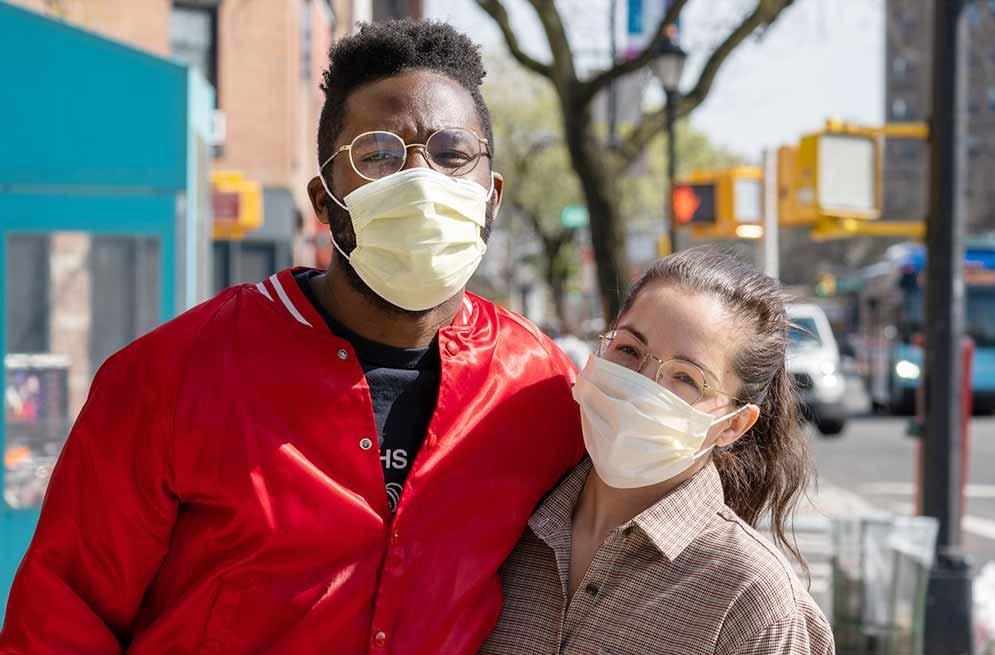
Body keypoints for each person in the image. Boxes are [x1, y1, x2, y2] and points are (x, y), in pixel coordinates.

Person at [0, 20, 583, 654]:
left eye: (452, 154)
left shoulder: (542, 389)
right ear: (325, 201)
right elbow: (60, 617)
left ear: (491, 197)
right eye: (378, 155)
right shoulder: (172, 376)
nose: (422, 182)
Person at [482, 247, 834, 655]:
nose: (643, 385)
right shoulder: (505, 529)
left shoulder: (751, 600)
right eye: (629, 350)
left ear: (734, 424)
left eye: (686, 377)